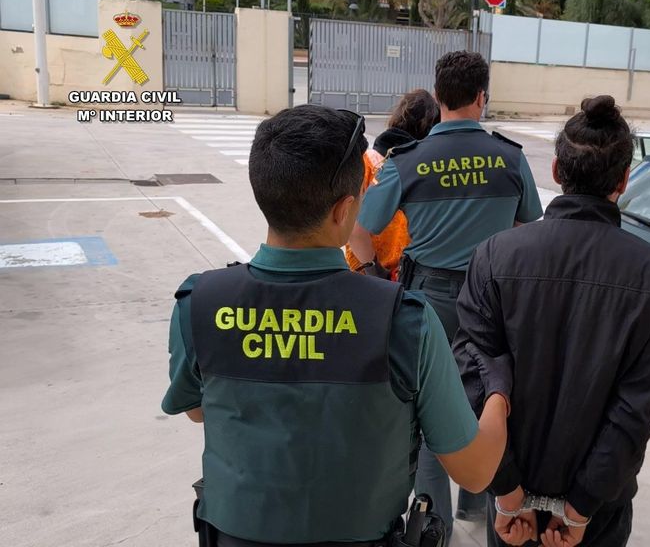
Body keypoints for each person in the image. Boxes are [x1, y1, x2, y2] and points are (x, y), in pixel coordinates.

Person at [160, 104, 511, 547]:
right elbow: (474, 472)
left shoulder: (200, 303)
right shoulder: (405, 321)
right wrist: (498, 391)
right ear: (344, 210)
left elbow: (198, 409)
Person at [454, 96, 650, 547]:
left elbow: (474, 380)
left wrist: (508, 490)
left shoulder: (495, 255)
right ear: (623, 179)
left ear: (557, 170)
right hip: (596, 515)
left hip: (513, 510)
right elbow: (634, 410)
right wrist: (581, 506)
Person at [351, 51, 544, 536]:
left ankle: (433, 528)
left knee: (427, 413)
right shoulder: (510, 158)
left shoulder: (407, 161)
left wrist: (374, 271)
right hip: (492, 301)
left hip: (429, 300)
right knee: (487, 399)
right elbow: (529, 228)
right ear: (482, 97)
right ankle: (477, 508)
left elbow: (360, 230)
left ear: (438, 97)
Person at [345, 89, 440, 280]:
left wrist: (372, 269)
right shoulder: (420, 168)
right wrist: (377, 273)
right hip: (403, 273)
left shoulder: (366, 161)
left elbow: (349, 225)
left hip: (362, 271)